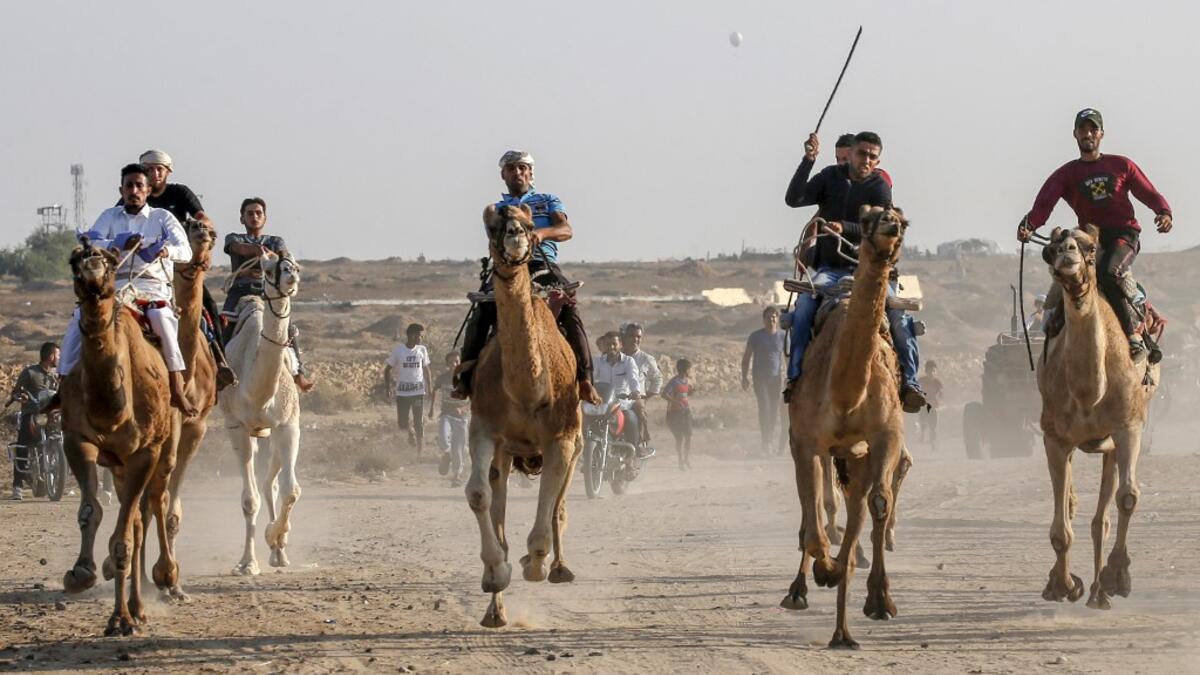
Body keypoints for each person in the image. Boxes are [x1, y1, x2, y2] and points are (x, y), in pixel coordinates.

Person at [783, 131, 926, 411]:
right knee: (801, 311)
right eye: (862, 154)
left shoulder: (879, 188)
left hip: (868, 274)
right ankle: (795, 379)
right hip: (829, 270)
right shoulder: (829, 178)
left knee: (898, 317)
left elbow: (882, 227)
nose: (866, 160)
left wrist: (844, 227)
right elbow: (794, 198)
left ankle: (910, 381)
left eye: (873, 156)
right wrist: (807, 160)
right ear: (851, 154)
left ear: (878, 160)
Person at [1017, 108, 1173, 363]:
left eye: (1093, 129)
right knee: (1065, 275)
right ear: (1075, 134)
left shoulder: (1122, 165)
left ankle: (1135, 336)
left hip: (1124, 235)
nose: (1087, 133)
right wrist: (1029, 225)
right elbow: (1044, 204)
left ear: (1101, 134)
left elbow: (1149, 192)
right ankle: (1053, 337)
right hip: (1090, 240)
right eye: (1083, 129)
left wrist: (1164, 212)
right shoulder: (1067, 174)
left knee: (1109, 272)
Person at [454, 150, 599, 404]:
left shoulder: (548, 200)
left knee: (569, 309)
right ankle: (465, 380)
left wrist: (540, 234)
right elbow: (493, 242)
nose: (517, 172)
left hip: (543, 264)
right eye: (511, 169)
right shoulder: (496, 210)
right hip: (508, 268)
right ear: (503, 175)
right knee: (481, 312)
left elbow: (566, 230)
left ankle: (586, 379)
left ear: (531, 172)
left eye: (522, 168)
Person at [62, 163, 196, 416]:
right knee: (80, 318)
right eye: (129, 186)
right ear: (121, 189)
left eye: (139, 186)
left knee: (162, 320)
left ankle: (177, 386)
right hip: (116, 286)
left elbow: (186, 251)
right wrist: (118, 243)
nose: (134, 190)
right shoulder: (109, 216)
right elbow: (90, 242)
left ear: (148, 190)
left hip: (152, 286)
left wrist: (166, 250)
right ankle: (63, 384)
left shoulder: (162, 218)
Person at [126, 150, 236, 388]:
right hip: (146, 273)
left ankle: (220, 361)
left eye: (160, 169)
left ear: (167, 172)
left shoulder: (179, 194)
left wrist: (198, 227)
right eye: (150, 169)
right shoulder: (134, 199)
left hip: (181, 270)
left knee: (207, 309)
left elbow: (203, 218)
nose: (155, 174)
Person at [222, 197, 315, 391]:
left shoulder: (275, 241)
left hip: (269, 293)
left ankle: (299, 374)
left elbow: (283, 257)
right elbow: (238, 249)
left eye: (258, 214)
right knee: (224, 324)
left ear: (265, 218)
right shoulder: (234, 238)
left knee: (287, 326)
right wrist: (257, 252)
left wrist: (272, 258)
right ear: (242, 219)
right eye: (250, 213)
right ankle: (218, 368)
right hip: (240, 292)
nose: (254, 217)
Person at [6, 343, 59, 500]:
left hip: (50, 415)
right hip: (32, 414)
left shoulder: (55, 376)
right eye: (58, 355)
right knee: (23, 443)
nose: (60, 359)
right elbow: (16, 391)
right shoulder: (30, 372)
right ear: (51, 357)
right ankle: (17, 485)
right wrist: (20, 396)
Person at [592, 332, 646, 452]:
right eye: (608, 344)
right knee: (586, 417)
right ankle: (585, 451)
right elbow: (591, 377)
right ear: (604, 346)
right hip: (603, 404)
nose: (611, 347)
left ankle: (634, 451)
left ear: (620, 344)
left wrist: (635, 391)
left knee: (631, 418)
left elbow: (633, 378)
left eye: (614, 344)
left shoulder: (628, 361)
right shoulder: (598, 362)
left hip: (622, 404)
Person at [742, 306, 786, 453]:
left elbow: (787, 357)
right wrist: (744, 377)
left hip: (776, 379)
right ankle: (765, 441)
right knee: (765, 409)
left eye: (774, 316)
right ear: (764, 319)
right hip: (760, 379)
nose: (772, 319)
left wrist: (791, 377)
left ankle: (770, 439)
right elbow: (747, 357)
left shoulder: (782, 336)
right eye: (768, 317)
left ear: (777, 319)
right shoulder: (755, 336)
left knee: (773, 411)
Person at [385, 323, 432, 455]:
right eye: (420, 335)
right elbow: (387, 369)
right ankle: (410, 431)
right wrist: (388, 387)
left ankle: (419, 453)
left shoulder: (422, 350)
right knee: (402, 423)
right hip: (402, 392)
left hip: (418, 392)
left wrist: (430, 386)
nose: (421, 338)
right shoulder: (399, 350)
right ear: (412, 335)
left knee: (419, 422)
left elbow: (426, 369)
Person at [620, 322, 661, 454]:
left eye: (638, 337)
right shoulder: (614, 356)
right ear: (623, 337)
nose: (635, 339)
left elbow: (657, 378)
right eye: (631, 336)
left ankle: (638, 446)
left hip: (634, 400)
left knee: (638, 411)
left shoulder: (646, 359)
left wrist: (646, 396)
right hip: (615, 398)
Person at [430, 351, 470, 486]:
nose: (454, 364)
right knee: (442, 436)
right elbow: (434, 390)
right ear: (447, 363)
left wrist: (464, 409)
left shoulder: (465, 380)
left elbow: (474, 398)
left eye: (457, 362)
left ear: (460, 363)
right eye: (451, 362)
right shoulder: (442, 378)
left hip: (461, 418)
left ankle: (456, 476)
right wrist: (431, 409)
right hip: (446, 414)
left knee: (458, 449)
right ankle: (446, 454)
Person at [661, 358, 693, 471]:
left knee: (688, 436)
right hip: (675, 413)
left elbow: (684, 394)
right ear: (685, 370)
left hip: (686, 412)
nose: (691, 371)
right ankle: (680, 461)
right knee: (679, 438)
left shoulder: (686, 381)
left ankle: (686, 459)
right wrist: (675, 402)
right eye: (689, 369)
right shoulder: (674, 381)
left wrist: (691, 392)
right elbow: (664, 394)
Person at [918, 360, 944, 452]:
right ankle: (922, 437)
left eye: (933, 371)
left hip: (933, 406)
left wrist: (940, 396)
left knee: (933, 427)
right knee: (923, 424)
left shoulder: (937, 382)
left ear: (935, 371)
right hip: (923, 406)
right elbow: (917, 390)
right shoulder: (921, 381)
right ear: (926, 371)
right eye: (929, 371)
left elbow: (941, 393)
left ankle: (933, 444)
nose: (931, 373)